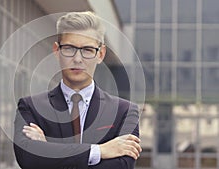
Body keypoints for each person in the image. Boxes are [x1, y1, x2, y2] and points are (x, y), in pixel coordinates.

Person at [13, 11, 142, 169]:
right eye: (69, 48)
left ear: (100, 54)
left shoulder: (125, 112)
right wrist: (99, 151)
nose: (77, 59)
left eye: (87, 50)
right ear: (57, 51)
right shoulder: (31, 107)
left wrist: (50, 151)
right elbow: (28, 158)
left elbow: (122, 166)